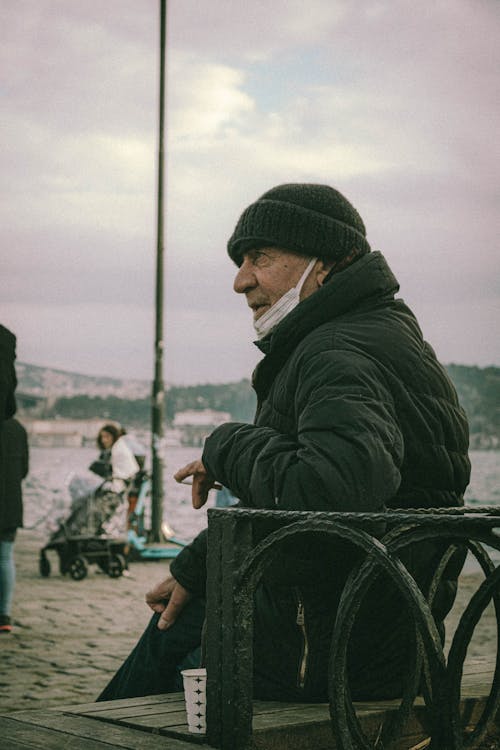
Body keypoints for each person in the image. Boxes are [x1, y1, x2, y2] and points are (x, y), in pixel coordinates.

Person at [98, 183, 470, 702]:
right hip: (363, 626)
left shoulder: (335, 349)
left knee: (161, 648)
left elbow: (330, 490)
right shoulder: (373, 333)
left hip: (326, 650)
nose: (240, 280)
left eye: (260, 258)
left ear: (326, 264)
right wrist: (202, 564)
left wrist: (225, 443)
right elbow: (327, 505)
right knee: (172, 625)